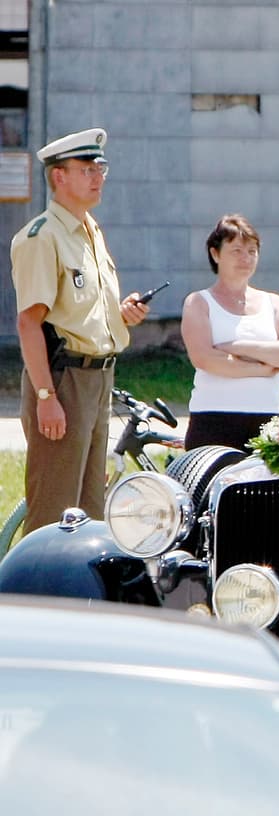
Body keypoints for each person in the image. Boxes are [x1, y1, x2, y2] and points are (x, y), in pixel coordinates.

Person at [11, 127, 150, 531]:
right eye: (87, 168)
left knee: (90, 507)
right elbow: (29, 322)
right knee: (54, 510)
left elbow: (79, 310)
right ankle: (36, 592)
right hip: (63, 378)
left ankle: (81, 595)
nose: (98, 177)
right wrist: (45, 396)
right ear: (59, 176)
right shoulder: (43, 237)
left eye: (101, 168)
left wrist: (120, 314)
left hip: (99, 378)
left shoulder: (91, 231)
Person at [180, 215, 279, 451]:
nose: (246, 258)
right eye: (236, 250)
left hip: (270, 418)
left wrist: (237, 347)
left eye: (252, 251)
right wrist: (263, 368)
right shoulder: (198, 302)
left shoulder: (274, 302)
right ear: (215, 254)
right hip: (214, 418)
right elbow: (205, 358)